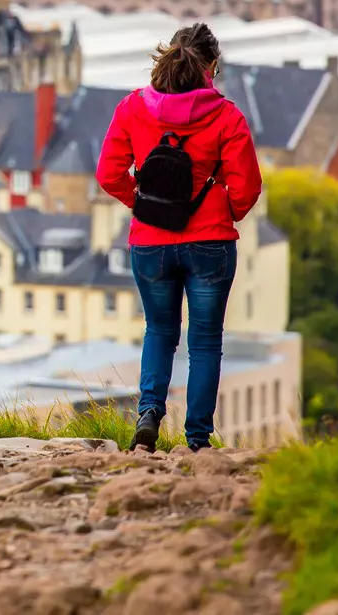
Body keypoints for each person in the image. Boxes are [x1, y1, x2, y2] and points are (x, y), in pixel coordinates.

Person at [95, 23, 262, 451]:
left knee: (160, 330)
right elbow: (247, 187)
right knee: (205, 340)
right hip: (210, 244)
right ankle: (198, 439)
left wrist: (143, 204)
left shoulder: (133, 108)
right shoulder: (227, 117)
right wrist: (225, 212)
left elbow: (109, 173)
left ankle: (149, 415)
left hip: (151, 243)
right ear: (212, 67)